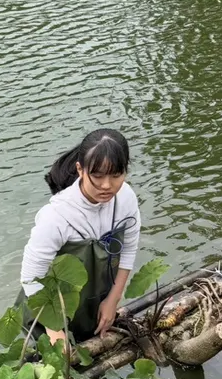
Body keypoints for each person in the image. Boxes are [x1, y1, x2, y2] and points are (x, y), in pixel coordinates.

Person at [19, 128, 141, 343]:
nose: (106, 185)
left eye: (116, 175)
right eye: (97, 175)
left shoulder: (126, 198)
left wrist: (113, 299)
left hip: (93, 305)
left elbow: (128, 250)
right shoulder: (55, 217)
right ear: (80, 169)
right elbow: (31, 279)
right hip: (48, 312)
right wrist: (55, 331)